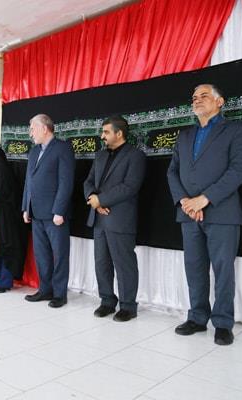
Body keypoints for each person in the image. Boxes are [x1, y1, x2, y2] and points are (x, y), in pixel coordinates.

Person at [167, 84, 242, 346]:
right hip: (189, 214)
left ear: (220, 101)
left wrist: (204, 199)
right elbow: (172, 172)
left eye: (204, 96)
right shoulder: (184, 135)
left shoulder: (236, 129)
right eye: (194, 97)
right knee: (194, 268)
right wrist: (184, 201)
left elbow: (239, 170)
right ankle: (197, 317)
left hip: (222, 212)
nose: (197, 100)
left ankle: (223, 323)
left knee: (223, 269)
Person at [83, 115, 146, 322]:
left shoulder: (135, 156)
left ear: (119, 133)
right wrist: (93, 199)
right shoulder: (100, 155)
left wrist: (101, 200)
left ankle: (128, 306)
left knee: (124, 263)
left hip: (120, 218)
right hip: (99, 217)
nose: (102, 136)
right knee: (101, 262)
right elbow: (88, 181)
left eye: (106, 132)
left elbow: (130, 186)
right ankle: (107, 301)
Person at [21, 114, 75, 308]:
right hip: (36, 213)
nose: (31, 133)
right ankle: (45, 290)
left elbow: (66, 182)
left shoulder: (63, 148)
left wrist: (59, 211)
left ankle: (59, 294)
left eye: (33, 129)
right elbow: (29, 181)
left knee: (60, 255)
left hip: (55, 214)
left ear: (44, 128)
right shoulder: (34, 151)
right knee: (42, 255)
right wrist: (26, 207)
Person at [0, 144, 27, 293]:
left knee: (7, 248)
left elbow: (4, 194)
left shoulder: (2, 171)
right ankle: (1, 280)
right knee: (0, 248)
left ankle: (5, 283)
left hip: (7, 218)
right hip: (0, 217)